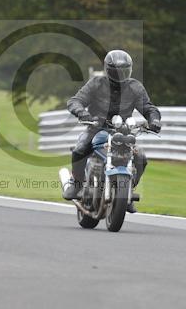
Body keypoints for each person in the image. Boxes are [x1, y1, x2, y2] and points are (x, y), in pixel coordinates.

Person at [63, 50, 161, 213]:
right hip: (97, 128)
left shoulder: (135, 87)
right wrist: (83, 113)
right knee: (80, 149)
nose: (121, 74)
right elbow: (76, 101)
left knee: (141, 157)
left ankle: (127, 191)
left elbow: (148, 107)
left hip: (123, 131)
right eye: (117, 70)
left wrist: (154, 120)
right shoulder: (96, 83)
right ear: (108, 69)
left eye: (124, 70)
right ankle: (76, 184)